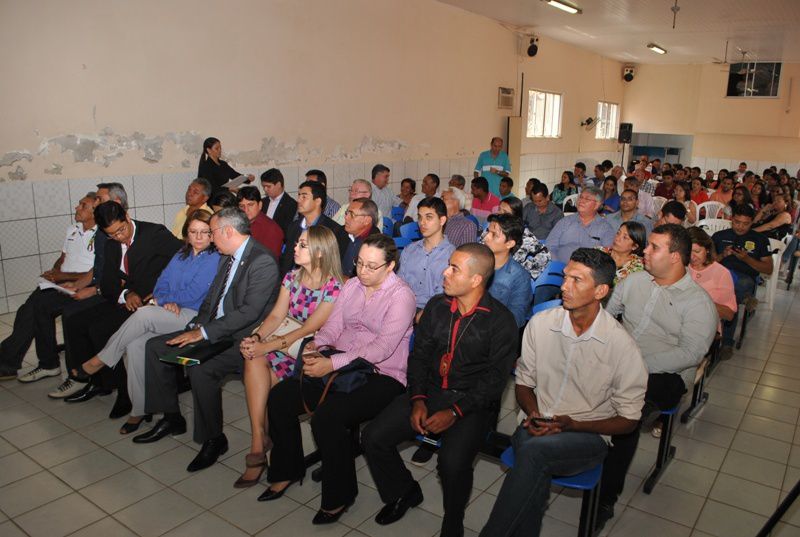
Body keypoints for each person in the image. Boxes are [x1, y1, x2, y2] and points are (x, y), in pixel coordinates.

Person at [480, 248, 648, 537]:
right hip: (536, 425)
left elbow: (629, 420)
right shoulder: (541, 325)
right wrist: (533, 413)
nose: (564, 286)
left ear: (601, 291)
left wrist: (573, 424)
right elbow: (523, 383)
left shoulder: (622, 346)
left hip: (587, 435)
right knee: (533, 462)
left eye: (576, 280)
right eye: (565, 277)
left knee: (532, 456)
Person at [363, 243, 518, 537]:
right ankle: (404, 490)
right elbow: (419, 357)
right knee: (373, 437)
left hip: (471, 401)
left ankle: (453, 519)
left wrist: (455, 411)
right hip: (430, 390)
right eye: (448, 264)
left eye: (454, 269)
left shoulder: (500, 321)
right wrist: (419, 399)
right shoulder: (437, 306)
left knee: (452, 462)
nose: (444, 272)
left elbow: (495, 381)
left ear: (476, 280)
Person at [260, 234, 416, 526]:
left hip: (382, 374)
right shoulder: (353, 286)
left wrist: (331, 362)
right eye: (359, 263)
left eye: (372, 266)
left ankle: (340, 496)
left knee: (327, 418)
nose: (363, 271)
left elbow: (382, 348)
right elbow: (333, 326)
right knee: (280, 397)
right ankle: (287, 469)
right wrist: (317, 346)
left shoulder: (401, 296)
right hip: (341, 366)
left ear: (390, 266)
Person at [134, 208, 280, 473]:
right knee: (155, 347)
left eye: (212, 232)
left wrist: (203, 334)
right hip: (216, 329)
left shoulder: (262, 261)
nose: (210, 239)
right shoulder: (227, 256)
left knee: (201, 368)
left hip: (243, 337)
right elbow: (213, 299)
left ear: (227, 231)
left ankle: (213, 439)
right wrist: (197, 324)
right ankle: (171, 417)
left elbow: (249, 313)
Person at [599, 225, 717, 530]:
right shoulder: (634, 282)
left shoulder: (698, 303)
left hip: (666, 374)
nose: (645, 251)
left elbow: (690, 354)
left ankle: (606, 497)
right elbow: (607, 317)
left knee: (626, 413)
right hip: (622, 361)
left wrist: (638, 364)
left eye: (653, 247)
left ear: (675, 257)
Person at [77, 210, 220, 433]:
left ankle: (100, 360)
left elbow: (195, 294)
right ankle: (139, 410)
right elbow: (161, 284)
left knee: (143, 314)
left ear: (213, 235)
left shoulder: (214, 258)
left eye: (204, 232)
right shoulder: (181, 254)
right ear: (187, 234)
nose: (199, 237)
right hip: (170, 311)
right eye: (193, 232)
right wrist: (163, 299)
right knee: (136, 345)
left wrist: (167, 300)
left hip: (195, 317)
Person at [236, 226, 344, 487]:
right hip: (284, 344)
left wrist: (268, 345)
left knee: (261, 379)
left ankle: (260, 445)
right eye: (297, 243)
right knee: (253, 358)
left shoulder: (334, 285)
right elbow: (275, 316)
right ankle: (259, 439)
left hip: (308, 349)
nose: (294, 247)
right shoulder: (292, 277)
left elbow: (310, 329)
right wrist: (258, 339)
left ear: (320, 253)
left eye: (302, 245)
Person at [54, 202, 183, 421]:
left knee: (100, 330)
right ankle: (100, 382)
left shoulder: (154, 233)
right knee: (76, 320)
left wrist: (163, 292)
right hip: (125, 297)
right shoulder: (111, 243)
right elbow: (108, 282)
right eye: (112, 234)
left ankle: (125, 392)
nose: (120, 237)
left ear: (127, 216)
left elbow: (183, 258)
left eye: (121, 230)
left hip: (151, 300)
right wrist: (127, 294)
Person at [0, 193, 98, 381]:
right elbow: (63, 258)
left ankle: (42, 363)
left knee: (40, 308)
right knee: (25, 311)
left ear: (95, 212)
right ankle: (14, 362)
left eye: (83, 205)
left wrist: (63, 277)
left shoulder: (102, 235)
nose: (77, 208)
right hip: (62, 282)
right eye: (79, 204)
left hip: (83, 286)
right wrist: (54, 273)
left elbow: (96, 272)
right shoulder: (73, 229)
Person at [712, 204, 774, 356]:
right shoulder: (719, 236)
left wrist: (747, 259)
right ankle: (745, 298)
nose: (740, 227)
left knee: (732, 293)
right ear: (731, 219)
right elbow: (708, 262)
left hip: (744, 278)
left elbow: (768, 269)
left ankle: (726, 342)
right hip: (720, 276)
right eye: (737, 222)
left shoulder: (760, 239)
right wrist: (722, 256)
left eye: (745, 223)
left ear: (752, 222)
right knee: (726, 292)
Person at [398, 197, 455, 320]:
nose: (422, 223)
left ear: (442, 220)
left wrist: (425, 313)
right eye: (419, 217)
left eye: (428, 217)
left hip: (434, 311)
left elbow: (444, 296)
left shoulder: (452, 255)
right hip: (404, 307)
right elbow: (399, 284)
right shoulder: (409, 250)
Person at [279, 181, 349, 276]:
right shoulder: (293, 226)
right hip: (290, 280)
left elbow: (333, 265)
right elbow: (286, 259)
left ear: (317, 201)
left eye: (304, 197)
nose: (299, 200)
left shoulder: (332, 230)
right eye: (299, 196)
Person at [481, 214, 533, 326]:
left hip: (497, 330)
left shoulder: (519, 276)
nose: (486, 238)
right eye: (488, 231)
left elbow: (516, 318)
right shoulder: (476, 262)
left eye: (494, 235)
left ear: (509, 243)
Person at [686, 227, 737, 333]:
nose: (692, 257)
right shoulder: (680, 266)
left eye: (697, 251)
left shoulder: (721, 273)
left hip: (704, 329)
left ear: (707, 249)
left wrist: (702, 302)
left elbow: (729, 314)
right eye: (688, 252)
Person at [545, 187, 615, 263]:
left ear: (597, 205)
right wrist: (557, 265)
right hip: (559, 268)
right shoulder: (565, 222)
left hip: (588, 272)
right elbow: (550, 246)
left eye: (587, 199)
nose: (581, 201)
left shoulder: (605, 228)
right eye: (581, 197)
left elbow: (607, 256)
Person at [497, 197, 551, 280]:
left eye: (505, 212)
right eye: (499, 209)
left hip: (511, 279)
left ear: (515, 216)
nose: (499, 213)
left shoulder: (525, 236)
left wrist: (524, 269)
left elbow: (545, 254)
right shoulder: (492, 228)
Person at [237, 186, 284, 258]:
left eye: (250, 205)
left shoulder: (271, 229)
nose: (246, 210)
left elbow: (270, 262)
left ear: (260, 205)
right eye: (242, 206)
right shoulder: (237, 223)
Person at [342, 198, 381, 275]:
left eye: (352, 214)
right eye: (347, 213)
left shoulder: (375, 244)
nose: (346, 217)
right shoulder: (340, 232)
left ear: (367, 220)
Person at [260, 168, 297, 236]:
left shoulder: (291, 204)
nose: (265, 189)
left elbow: (287, 231)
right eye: (263, 186)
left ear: (279, 184)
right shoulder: (262, 202)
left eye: (268, 186)